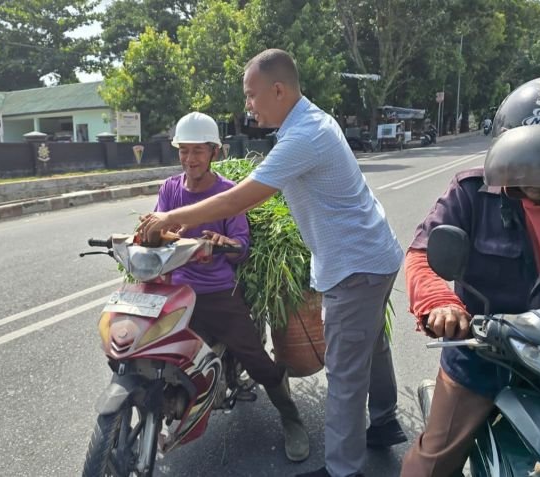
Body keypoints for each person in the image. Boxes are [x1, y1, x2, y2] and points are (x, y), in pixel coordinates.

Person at [139, 49, 405, 477]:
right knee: (372, 344)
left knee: (345, 372)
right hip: (372, 253)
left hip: (355, 266)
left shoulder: (305, 135)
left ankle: (343, 469)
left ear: (278, 90)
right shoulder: (308, 123)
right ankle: (386, 420)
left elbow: (244, 196)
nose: (248, 104)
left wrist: (171, 220)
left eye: (251, 95)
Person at [400, 75, 540, 476]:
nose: (536, 182)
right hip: (479, 353)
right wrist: (441, 304)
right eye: (526, 168)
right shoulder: (470, 192)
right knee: (432, 461)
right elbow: (421, 257)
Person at [155, 111, 310, 462]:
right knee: (157, 356)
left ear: (214, 153)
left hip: (218, 294)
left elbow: (242, 247)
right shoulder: (169, 189)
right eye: (184, 150)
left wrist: (223, 242)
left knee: (256, 360)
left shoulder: (229, 193)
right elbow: (157, 230)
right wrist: (158, 234)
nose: (189, 159)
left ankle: (291, 418)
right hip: (178, 294)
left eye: (198, 151)